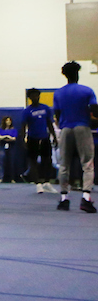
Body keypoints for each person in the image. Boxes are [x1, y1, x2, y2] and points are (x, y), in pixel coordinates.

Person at [53, 61, 98, 213]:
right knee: (87, 163)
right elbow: (95, 111)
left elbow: (57, 115)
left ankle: (64, 199)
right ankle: (86, 197)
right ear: (77, 73)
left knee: (64, 164)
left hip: (66, 128)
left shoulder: (58, 93)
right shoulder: (87, 91)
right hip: (82, 127)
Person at [0, 116, 18, 183]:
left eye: (9, 121)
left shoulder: (14, 129)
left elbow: (14, 138)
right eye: (7, 120)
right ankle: (1, 178)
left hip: (11, 147)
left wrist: (9, 138)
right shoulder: (1, 129)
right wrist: (4, 137)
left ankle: (12, 178)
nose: (8, 122)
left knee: (11, 162)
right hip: (3, 146)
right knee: (2, 161)